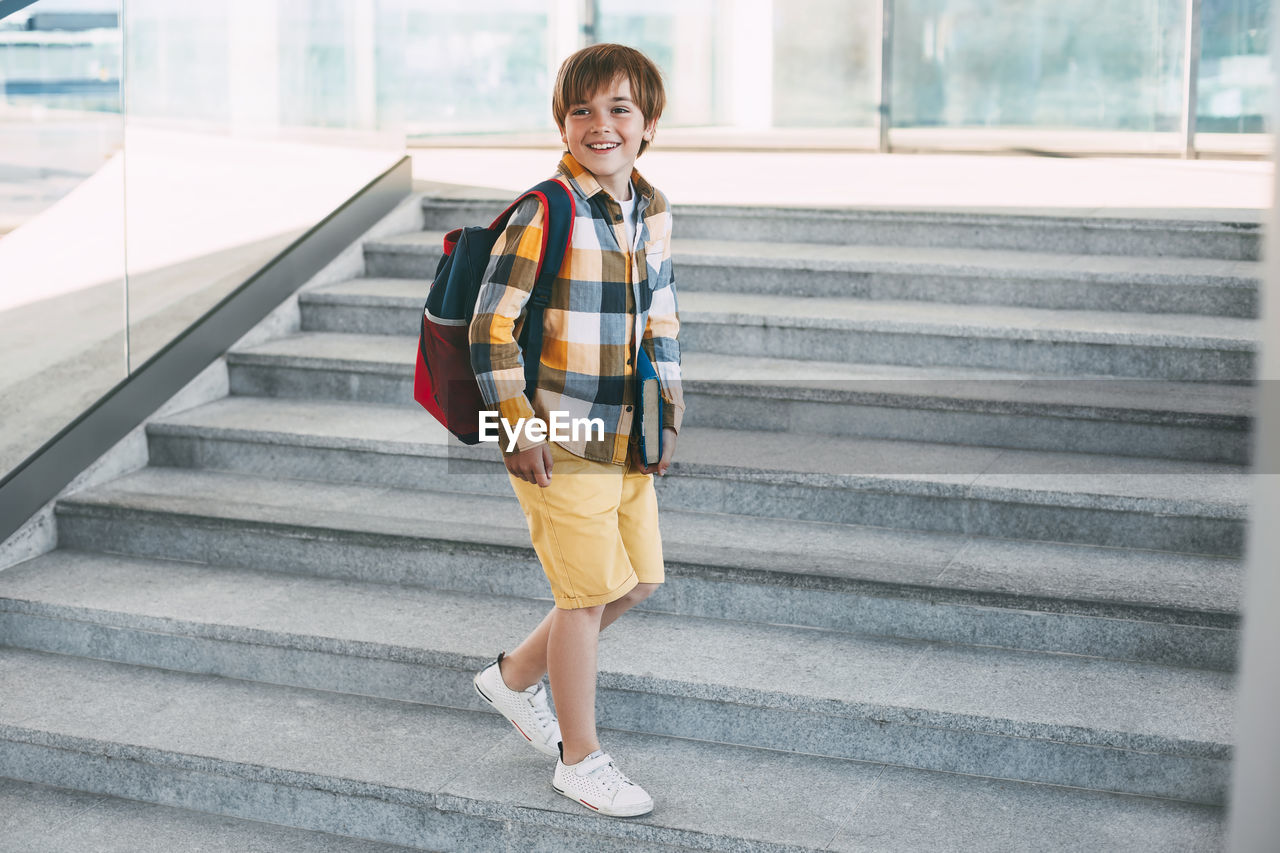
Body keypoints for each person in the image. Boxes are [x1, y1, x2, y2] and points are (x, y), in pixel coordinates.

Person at [468, 43, 683, 818]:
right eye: (583, 109)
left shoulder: (651, 210)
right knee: (588, 594)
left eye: (620, 108)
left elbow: (661, 322)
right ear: (562, 123)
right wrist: (514, 430)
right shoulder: (545, 209)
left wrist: (663, 424)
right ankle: (581, 758)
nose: (601, 124)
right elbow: (489, 329)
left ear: (649, 123)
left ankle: (515, 676)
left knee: (638, 580)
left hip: (625, 433)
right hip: (556, 437)